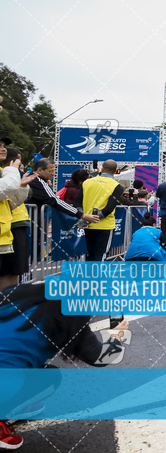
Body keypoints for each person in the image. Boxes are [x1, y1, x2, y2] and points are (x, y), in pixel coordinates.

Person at [0, 283, 128, 450]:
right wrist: (117, 337)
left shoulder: (18, 292)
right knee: (50, 378)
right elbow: (100, 357)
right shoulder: (66, 318)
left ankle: (12, 405)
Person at [74, 160, 126, 328]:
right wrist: (99, 216)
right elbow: (110, 207)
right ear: (115, 170)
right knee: (100, 257)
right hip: (104, 225)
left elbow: (76, 202)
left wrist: (85, 216)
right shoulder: (116, 185)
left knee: (89, 255)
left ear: (101, 168)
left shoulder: (88, 182)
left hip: (86, 223)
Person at [28, 158, 96, 251]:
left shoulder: (36, 180)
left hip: (32, 220)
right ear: (39, 170)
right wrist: (82, 215)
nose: (54, 174)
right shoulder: (37, 181)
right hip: (31, 220)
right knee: (31, 249)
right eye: (50, 171)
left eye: (54, 171)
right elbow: (56, 201)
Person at [0, 142, 35, 292]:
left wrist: (21, 186)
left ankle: (6, 310)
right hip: (9, 231)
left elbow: (9, 203)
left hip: (5, 235)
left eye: (3, 146)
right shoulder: (9, 172)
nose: (3, 149)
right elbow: (5, 189)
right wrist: (12, 171)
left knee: (9, 273)